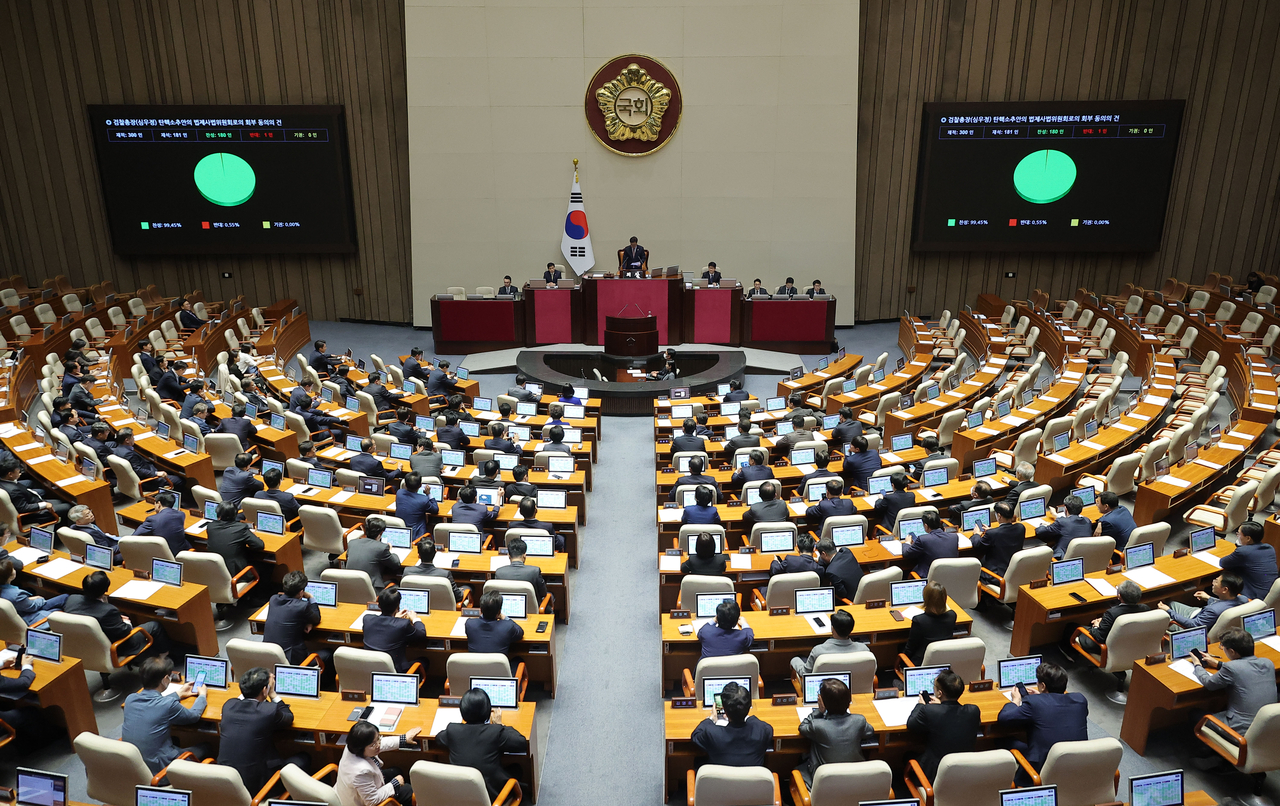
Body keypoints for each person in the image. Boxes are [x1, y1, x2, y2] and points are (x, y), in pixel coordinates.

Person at [218, 667, 310, 793]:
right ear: (264, 690)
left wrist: (252, 688)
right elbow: (288, 717)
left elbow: (243, 700)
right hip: (257, 786)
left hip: (225, 780)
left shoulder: (228, 706)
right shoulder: (268, 710)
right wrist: (272, 694)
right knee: (304, 758)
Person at [997, 662, 1088, 784]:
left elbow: (1004, 718)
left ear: (1043, 686)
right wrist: (1042, 697)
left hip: (1041, 766)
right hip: (1077, 763)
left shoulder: (1034, 703)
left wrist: (1016, 700)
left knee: (1002, 740)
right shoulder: (1080, 700)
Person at [435, 688, 529, 800]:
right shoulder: (495, 732)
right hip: (491, 797)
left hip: (460, 794)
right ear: (488, 711)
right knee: (517, 769)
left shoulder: (453, 730)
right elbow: (521, 743)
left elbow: (438, 739)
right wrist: (500, 724)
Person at [122, 656, 209, 775]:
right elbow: (193, 716)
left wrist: (178, 694)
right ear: (165, 680)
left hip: (135, 765)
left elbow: (153, 704)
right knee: (207, 746)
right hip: (161, 769)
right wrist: (202, 696)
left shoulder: (130, 699)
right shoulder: (168, 705)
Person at [1191, 628, 1277, 737]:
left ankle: (1208, 749)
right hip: (1269, 725)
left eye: (1224, 648)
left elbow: (1209, 683)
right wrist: (1218, 664)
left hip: (1243, 730)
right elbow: (1245, 669)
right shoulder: (1268, 663)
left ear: (1232, 651)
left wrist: (1197, 665)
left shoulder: (1231, 668)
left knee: (1195, 714)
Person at [66, 570, 168, 660]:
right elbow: (125, 631)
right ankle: (162, 657)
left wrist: (115, 618)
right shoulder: (108, 611)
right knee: (155, 626)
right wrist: (125, 622)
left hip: (86, 645)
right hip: (117, 646)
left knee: (122, 614)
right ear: (105, 590)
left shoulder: (72, 599)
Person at [906, 669, 981, 781]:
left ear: (940, 693)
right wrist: (942, 704)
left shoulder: (929, 711)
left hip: (935, 774)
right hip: (965, 769)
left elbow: (911, 725)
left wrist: (921, 705)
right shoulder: (973, 710)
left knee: (906, 756)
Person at [797, 678, 872, 784]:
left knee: (798, 768)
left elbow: (802, 727)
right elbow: (869, 732)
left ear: (823, 702)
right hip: (856, 778)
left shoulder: (817, 725)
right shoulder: (859, 720)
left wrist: (819, 711)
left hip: (826, 781)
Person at [337, 719, 419, 806]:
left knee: (396, 770)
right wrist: (395, 784)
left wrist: (403, 739)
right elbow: (372, 800)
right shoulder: (360, 772)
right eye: (373, 744)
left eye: (378, 738)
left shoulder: (354, 745)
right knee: (409, 791)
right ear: (361, 748)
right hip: (364, 802)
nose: (378, 745)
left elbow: (377, 744)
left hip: (367, 784)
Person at [690, 682, 773, 766]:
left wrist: (711, 718)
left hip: (719, 779)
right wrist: (745, 715)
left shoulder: (712, 733)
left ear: (724, 708)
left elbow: (695, 735)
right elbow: (765, 727)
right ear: (749, 707)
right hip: (753, 779)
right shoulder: (763, 731)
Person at [264, 571, 327, 671]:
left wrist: (306, 622)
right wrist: (311, 597)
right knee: (328, 653)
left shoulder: (273, 599)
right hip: (292, 659)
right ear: (301, 592)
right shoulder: (302, 606)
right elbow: (316, 618)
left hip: (268, 656)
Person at [363, 587, 426, 673]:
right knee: (424, 661)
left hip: (370, 669)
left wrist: (394, 619)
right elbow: (421, 635)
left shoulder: (367, 619)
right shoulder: (403, 624)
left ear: (379, 605)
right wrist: (415, 619)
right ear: (398, 606)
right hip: (395, 671)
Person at [1075, 580, 1148, 654]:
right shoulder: (1145, 609)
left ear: (1119, 596)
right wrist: (1104, 621)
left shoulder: (1112, 613)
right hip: (1133, 645)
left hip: (1106, 648)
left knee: (1071, 627)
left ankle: (1071, 659)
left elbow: (1099, 637)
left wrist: (1096, 626)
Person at [1159, 572, 1247, 632]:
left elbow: (1193, 625)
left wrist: (1168, 611)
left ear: (1224, 589)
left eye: (1216, 582)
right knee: (1172, 603)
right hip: (1201, 615)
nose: (1213, 583)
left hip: (1192, 624)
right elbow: (1224, 604)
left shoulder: (1213, 610)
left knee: (1163, 618)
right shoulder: (1243, 599)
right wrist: (1208, 598)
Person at [790, 608, 868, 675]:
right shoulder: (864, 650)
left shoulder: (818, 651)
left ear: (832, 629)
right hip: (855, 690)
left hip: (825, 690)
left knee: (800, 658)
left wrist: (794, 660)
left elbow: (805, 673)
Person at [0, 457, 71, 522]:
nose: (20, 471)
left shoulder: (4, 481)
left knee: (59, 501)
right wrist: (44, 505)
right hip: (34, 514)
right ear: (10, 474)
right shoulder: (13, 491)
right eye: (17, 470)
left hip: (33, 501)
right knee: (68, 506)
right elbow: (23, 508)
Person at [1220, 520, 1277, 599]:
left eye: (1239, 534)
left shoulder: (1243, 552)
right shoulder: (1269, 548)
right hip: (1269, 594)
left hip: (1253, 596)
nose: (1237, 536)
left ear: (1248, 538)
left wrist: (1240, 547)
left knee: (1222, 578)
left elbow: (1223, 562)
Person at [205, 501, 264, 578]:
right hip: (236, 574)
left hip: (216, 571)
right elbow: (259, 545)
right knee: (265, 566)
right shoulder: (240, 528)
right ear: (235, 515)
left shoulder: (210, 527)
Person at [903, 581, 956, 666]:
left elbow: (910, 648)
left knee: (900, 646)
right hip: (944, 660)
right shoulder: (952, 616)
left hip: (921, 662)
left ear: (926, 599)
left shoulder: (919, 620)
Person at [0, 559, 66, 624]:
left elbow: (16, 602)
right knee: (64, 598)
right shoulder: (16, 595)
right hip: (28, 618)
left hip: (18, 612)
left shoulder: (8, 593)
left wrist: (28, 599)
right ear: (10, 577)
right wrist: (41, 599)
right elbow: (33, 607)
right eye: (13, 569)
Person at [973, 501, 1025, 583]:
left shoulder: (993, 534)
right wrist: (993, 531)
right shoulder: (1020, 527)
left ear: (999, 516)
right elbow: (1005, 534)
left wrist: (976, 534)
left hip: (997, 576)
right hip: (1015, 570)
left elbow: (977, 545)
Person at [402, 538, 467, 604]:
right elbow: (458, 597)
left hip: (415, 607)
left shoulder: (407, 572)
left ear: (418, 555)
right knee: (468, 587)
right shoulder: (445, 574)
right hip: (442, 609)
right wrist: (459, 591)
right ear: (435, 553)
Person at [113, 427, 178, 490]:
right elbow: (138, 470)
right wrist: (156, 473)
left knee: (170, 471)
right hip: (148, 481)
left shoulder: (116, 450)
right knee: (179, 480)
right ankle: (171, 498)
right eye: (132, 437)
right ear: (127, 440)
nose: (134, 438)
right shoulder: (128, 454)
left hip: (132, 479)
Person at [464, 590, 524, 657]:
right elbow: (520, 632)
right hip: (499, 667)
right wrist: (505, 617)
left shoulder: (469, 624)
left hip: (475, 666)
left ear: (480, 610)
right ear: (499, 612)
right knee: (518, 659)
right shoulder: (508, 626)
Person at [347, 517, 402, 590]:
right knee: (395, 581)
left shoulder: (352, 543)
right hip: (372, 590)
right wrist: (391, 551)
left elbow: (347, 556)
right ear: (381, 533)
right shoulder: (382, 548)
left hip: (350, 586)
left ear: (364, 529)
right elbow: (396, 564)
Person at [495, 537, 551, 607]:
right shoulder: (535, 571)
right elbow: (543, 593)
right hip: (532, 609)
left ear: (509, 556)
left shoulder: (499, 572)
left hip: (507, 608)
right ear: (524, 556)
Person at [133, 490, 191, 555]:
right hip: (182, 552)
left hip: (164, 554)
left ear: (159, 504)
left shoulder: (152, 519)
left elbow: (133, 537)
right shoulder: (181, 514)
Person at [903, 511, 959, 578]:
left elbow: (906, 553)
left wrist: (907, 542)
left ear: (926, 526)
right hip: (950, 575)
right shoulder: (954, 537)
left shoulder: (923, 539)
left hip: (929, 577)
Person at [816, 537, 863, 603]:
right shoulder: (846, 551)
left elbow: (842, 594)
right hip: (863, 590)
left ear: (824, 554)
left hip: (852, 599)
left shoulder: (831, 571)